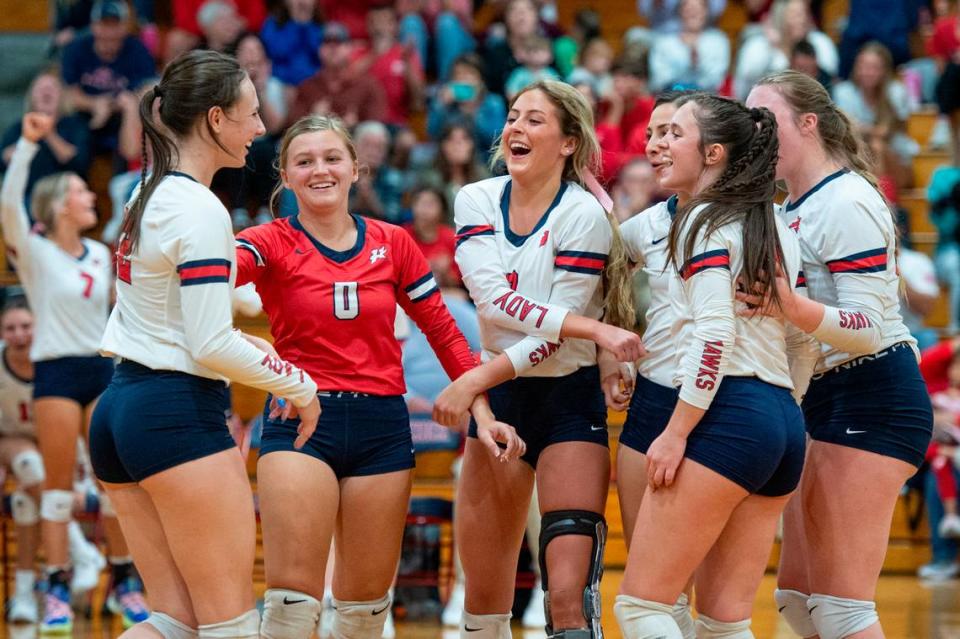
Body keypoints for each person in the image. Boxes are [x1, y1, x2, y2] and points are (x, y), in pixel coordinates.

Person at [232, 114, 522, 639]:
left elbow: (444, 333)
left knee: (364, 613)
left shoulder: (394, 242)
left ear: (355, 168)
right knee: (293, 608)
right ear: (286, 175)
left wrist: (481, 411)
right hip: (301, 419)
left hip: (382, 426)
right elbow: (205, 280)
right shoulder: (268, 240)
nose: (319, 169)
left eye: (331, 158)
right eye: (304, 161)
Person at [89, 50, 322, 639]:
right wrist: (299, 385)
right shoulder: (199, 208)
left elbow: (180, 317)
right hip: (174, 415)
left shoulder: (149, 190)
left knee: (173, 622)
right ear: (216, 119)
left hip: (119, 411)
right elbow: (210, 342)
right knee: (230, 627)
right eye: (251, 113)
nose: (262, 129)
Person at [432, 79, 644, 638]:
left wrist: (477, 375)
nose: (515, 129)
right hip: (501, 398)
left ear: (569, 142)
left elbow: (539, 335)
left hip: (567, 398)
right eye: (512, 117)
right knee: (483, 602)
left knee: (569, 604)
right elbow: (492, 303)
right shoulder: (475, 198)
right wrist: (593, 327)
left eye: (533, 120)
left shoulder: (585, 215)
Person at [613, 94, 814, 639]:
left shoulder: (701, 219)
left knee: (643, 608)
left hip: (723, 413)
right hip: (779, 421)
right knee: (724, 625)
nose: (659, 142)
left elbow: (715, 334)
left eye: (675, 133)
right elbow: (802, 341)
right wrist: (778, 412)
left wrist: (677, 432)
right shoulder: (775, 224)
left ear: (714, 154)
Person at [744, 69, 934, 639]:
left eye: (767, 121)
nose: (756, 135)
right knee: (797, 601)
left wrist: (789, 306)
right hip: (822, 397)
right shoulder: (787, 208)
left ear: (808, 123)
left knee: (842, 607)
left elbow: (869, 326)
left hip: (874, 395)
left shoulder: (847, 199)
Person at [0, 110, 149, 634]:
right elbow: (8, 206)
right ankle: (57, 587)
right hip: (56, 374)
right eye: (83, 193)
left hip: (102, 370)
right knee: (59, 488)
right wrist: (26, 143)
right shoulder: (36, 253)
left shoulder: (101, 253)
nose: (92, 198)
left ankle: (124, 583)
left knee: (118, 485)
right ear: (61, 205)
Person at [613, 90, 699, 637]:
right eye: (650, 134)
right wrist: (611, 352)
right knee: (648, 588)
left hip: (718, 401)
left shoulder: (755, 220)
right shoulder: (643, 225)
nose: (655, 145)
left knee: (694, 591)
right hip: (651, 397)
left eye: (669, 131)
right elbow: (603, 278)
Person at [0, 70, 91, 202]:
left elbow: (79, 163)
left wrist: (48, 133)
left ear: (62, 96)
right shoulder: (18, 128)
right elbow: (3, 159)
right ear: (31, 97)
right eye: (40, 88)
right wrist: (24, 143)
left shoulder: (75, 126)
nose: (46, 91)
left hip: (64, 196)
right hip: (26, 196)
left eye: (52, 88)